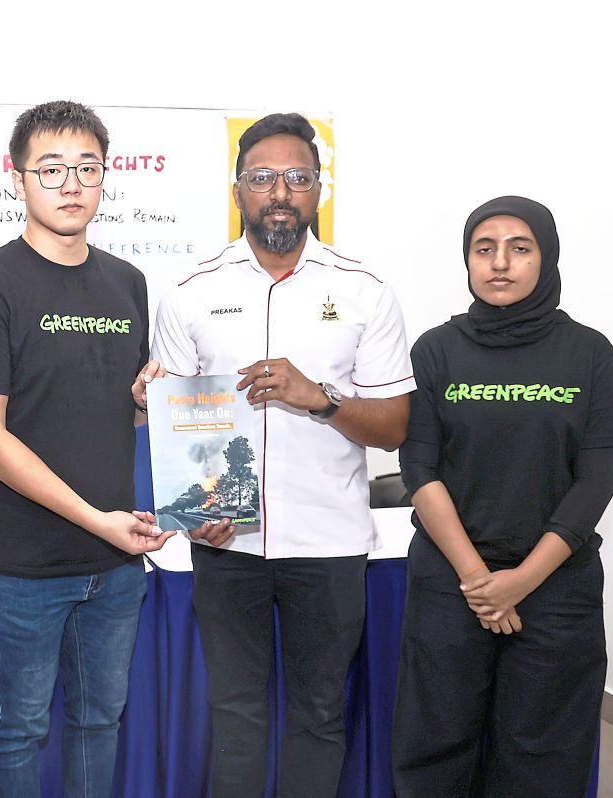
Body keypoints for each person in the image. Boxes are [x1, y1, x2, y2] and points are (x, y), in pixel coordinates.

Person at [149, 112, 414, 797]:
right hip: (227, 545)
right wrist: (193, 511)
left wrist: (319, 397)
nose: (279, 192)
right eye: (263, 177)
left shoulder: (364, 290)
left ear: (319, 189)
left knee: (319, 716)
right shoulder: (190, 292)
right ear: (237, 188)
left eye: (296, 177)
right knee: (235, 717)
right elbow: (178, 426)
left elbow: (394, 427)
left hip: (329, 544)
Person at [0, 100, 173, 798]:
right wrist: (98, 521)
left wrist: (144, 403)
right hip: (27, 561)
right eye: (51, 169)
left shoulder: (128, 282)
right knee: (20, 729)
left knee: (99, 722)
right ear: (17, 179)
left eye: (87, 167)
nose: (71, 184)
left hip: (115, 559)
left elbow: (113, 415)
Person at [392, 196, 613, 797]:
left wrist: (522, 580)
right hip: (452, 583)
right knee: (435, 744)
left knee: (542, 753)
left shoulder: (589, 353)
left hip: (556, 586)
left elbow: (596, 480)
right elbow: (419, 468)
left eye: (519, 248)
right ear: (468, 261)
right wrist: (480, 580)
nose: (500, 263)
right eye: (484, 249)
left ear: (545, 258)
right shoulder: (436, 350)